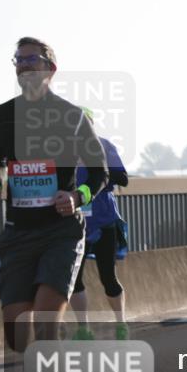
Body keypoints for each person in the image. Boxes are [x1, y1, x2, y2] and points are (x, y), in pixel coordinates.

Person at [0, 37, 108, 351]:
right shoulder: (2, 115)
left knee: (43, 319)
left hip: (60, 232)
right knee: (15, 337)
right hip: (18, 233)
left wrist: (77, 197)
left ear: (50, 68)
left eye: (32, 60)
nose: (24, 65)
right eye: (19, 60)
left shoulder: (71, 115)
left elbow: (100, 172)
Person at [70, 129, 129, 340]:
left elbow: (123, 178)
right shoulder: (61, 149)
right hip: (75, 224)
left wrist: (99, 170)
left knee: (108, 277)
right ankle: (83, 329)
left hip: (104, 221)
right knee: (74, 278)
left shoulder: (104, 146)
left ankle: (121, 323)